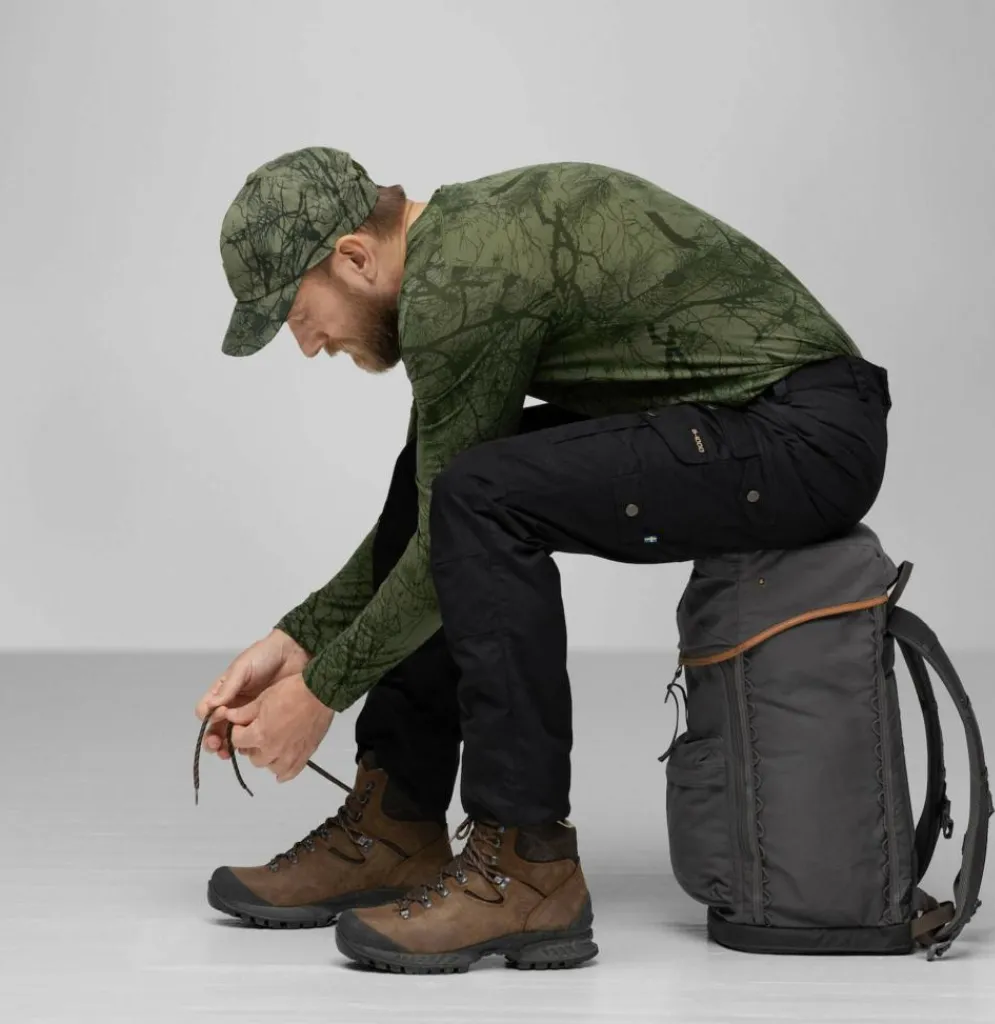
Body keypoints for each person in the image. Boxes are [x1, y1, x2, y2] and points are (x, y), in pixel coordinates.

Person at [195, 147, 891, 974]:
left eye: (298, 314)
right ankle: (395, 826)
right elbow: (430, 509)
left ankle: (529, 867)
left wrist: (319, 694)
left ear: (354, 257)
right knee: (447, 480)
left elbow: (446, 533)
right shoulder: (458, 249)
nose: (308, 345)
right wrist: (300, 639)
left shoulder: (463, 285)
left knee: (479, 498)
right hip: (769, 419)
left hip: (806, 438)